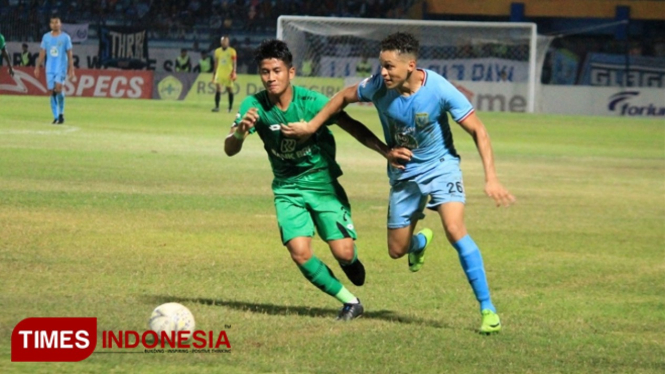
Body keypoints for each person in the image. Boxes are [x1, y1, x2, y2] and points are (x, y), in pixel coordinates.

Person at [281, 32, 515, 334]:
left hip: (441, 167)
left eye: (389, 66)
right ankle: (419, 242)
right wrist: (312, 126)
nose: (383, 72)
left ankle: (488, 311)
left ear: (411, 65)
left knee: (456, 231)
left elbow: (479, 131)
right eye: (381, 65)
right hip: (404, 173)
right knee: (396, 250)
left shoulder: (440, 89)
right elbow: (341, 98)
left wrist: (491, 178)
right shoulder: (378, 86)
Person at [225, 39, 391, 321]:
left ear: (291, 72)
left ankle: (348, 260)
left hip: (321, 183)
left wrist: (385, 151)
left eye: (276, 70)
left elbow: (352, 126)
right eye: (265, 72)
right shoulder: (253, 105)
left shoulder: (312, 102)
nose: (270, 77)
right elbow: (230, 148)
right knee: (300, 252)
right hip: (287, 188)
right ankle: (350, 302)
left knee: (344, 251)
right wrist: (240, 132)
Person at [34, 16, 75, 125]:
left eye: (56, 22)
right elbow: (42, 52)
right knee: (52, 91)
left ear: (60, 24)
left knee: (59, 88)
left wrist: (71, 68)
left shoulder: (65, 38)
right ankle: (56, 116)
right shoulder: (46, 37)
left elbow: (69, 53)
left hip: (61, 67)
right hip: (49, 68)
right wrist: (38, 66)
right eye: (52, 22)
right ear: (50, 24)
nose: (55, 24)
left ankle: (61, 113)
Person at [211, 35, 236, 113]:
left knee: (229, 89)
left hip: (228, 73)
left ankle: (230, 108)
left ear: (228, 42)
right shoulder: (217, 51)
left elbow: (234, 63)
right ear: (221, 42)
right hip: (219, 72)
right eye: (223, 41)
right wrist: (214, 72)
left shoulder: (232, 51)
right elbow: (216, 62)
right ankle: (217, 107)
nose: (224, 42)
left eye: (225, 41)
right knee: (218, 89)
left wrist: (234, 72)